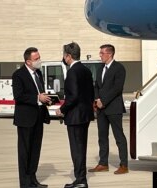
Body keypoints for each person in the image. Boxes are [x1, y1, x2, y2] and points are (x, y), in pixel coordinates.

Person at [12, 47, 52, 188]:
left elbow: (40, 92)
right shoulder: (18, 75)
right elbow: (19, 96)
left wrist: (46, 98)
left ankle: (33, 180)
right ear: (28, 61)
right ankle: (25, 183)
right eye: (36, 59)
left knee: (35, 150)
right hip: (25, 119)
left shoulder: (38, 73)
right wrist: (37, 97)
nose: (39, 61)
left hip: (38, 118)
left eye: (39, 57)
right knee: (24, 152)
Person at [56, 42, 94, 188]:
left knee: (76, 149)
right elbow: (90, 93)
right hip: (85, 114)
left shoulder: (72, 72)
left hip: (75, 116)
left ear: (68, 56)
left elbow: (73, 96)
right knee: (81, 147)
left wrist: (62, 109)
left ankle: (80, 180)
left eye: (64, 55)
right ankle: (81, 178)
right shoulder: (86, 70)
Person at [88, 44, 129, 174]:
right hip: (101, 109)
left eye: (102, 53)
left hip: (114, 108)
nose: (100, 55)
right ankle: (103, 163)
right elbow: (96, 86)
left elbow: (117, 88)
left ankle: (124, 165)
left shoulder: (119, 68)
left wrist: (103, 101)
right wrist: (96, 100)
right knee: (102, 136)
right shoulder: (100, 68)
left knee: (119, 137)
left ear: (109, 54)